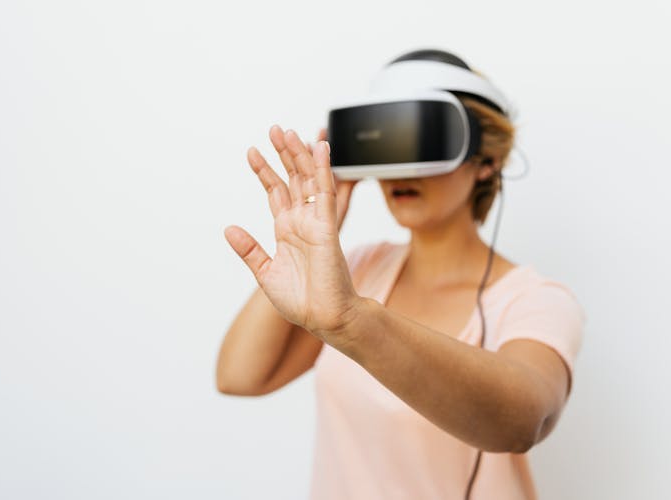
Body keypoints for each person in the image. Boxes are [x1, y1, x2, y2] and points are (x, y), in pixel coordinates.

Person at [216, 49, 585, 500]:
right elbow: (238, 376)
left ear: (485, 159)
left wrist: (353, 322)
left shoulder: (534, 299)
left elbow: (524, 421)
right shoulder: (359, 269)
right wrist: (315, 233)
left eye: (418, 140)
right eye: (385, 146)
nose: (401, 170)